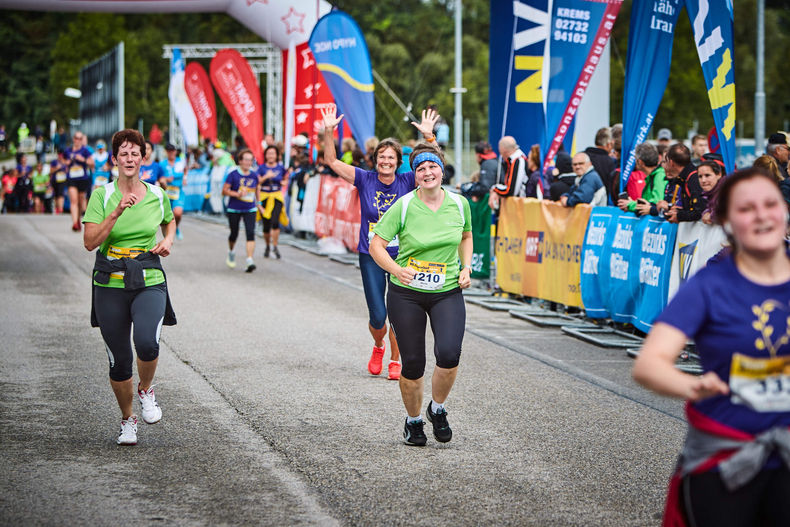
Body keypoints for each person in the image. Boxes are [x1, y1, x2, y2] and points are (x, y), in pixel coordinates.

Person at [633, 167, 790, 527]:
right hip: (724, 456)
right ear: (726, 221)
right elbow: (650, 363)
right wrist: (693, 386)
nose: (762, 215)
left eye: (771, 203)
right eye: (746, 208)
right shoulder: (711, 284)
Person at [321, 103, 438, 381]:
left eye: (391, 158)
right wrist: (328, 132)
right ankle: (378, 345)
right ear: (375, 160)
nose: (386, 161)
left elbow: (434, 167)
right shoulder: (364, 178)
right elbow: (332, 162)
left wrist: (429, 138)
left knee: (397, 313)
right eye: (381, 157)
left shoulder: (409, 181)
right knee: (377, 315)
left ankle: (395, 359)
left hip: (402, 255)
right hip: (371, 254)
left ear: (399, 162)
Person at [369, 143, 473, 446]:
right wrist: (395, 270)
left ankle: (437, 409)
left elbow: (466, 236)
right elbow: (377, 245)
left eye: (432, 167)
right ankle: (413, 422)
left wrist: (466, 267)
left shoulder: (459, 203)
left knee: (450, 353)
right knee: (413, 364)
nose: (427, 172)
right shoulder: (403, 206)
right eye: (421, 169)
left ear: (441, 170)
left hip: (447, 290)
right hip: (406, 294)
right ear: (414, 176)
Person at [82, 128, 176, 446]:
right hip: (110, 280)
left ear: (143, 158)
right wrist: (118, 210)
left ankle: (146, 390)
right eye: (124, 153)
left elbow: (170, 218)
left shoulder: (157, 194)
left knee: (148, 343)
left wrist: (168, 240)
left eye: (135, 152)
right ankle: (128, 419)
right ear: (115, 159)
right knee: (120, 360)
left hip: (149, 276)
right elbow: (90, 242)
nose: (130, 158)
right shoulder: (102, 195)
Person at [222, 148, 262, 273]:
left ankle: (249, 260)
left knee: (251, 232)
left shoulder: (254, 175)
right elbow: (224, 191)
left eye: (250, 160)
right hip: (234, 208)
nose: (248, 163)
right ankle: (231, 252)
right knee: (234, 233)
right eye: (246, 160)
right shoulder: (233, 175)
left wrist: (259, 203)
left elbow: (257, 188)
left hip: (250, 208)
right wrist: (237, 194)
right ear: (240, 161)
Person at [617, 143, 667, 217]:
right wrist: (632, 203)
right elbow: (647, 204)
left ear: (640, 162)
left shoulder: (659, 176)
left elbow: (655, 204)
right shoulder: (653, 176)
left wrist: (630, 204)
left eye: (635, 158)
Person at [660, 143, 705, 223]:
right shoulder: (684, 178)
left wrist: (679, 216)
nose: (663, 166)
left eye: (664, 162)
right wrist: (678, 211)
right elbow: (691, 209)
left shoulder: (693, 179)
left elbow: (699, 212)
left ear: (671, 162)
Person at [258, 145, 287, 258]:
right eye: (268, 153)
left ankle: (275, 245)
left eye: (273, 154)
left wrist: (284, 182)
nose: (271, 156)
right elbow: (257, 181)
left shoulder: (280, 168)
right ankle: (267, 245)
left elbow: (285, 177)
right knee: (266, 224)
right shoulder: (261, 168)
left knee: (275, 221)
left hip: (276, 196)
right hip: (264, 196)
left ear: (276, 156)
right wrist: (266, 176)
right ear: (265, 155)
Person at [65, 131, 95, 231]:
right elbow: (63, 162)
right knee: (73, 201)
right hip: (71, 178)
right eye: (76, 138)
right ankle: (74, 223)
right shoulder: (68, 150)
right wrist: (68, 162)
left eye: (80, 138)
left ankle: (77, 219)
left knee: (80, 201)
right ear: (73, 139)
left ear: (82, 140)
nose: (77, 140)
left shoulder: (85, 150)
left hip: (82, 179)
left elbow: (92, 163)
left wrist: (83, 160)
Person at [489, 136, 528, 211]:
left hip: (520, 209)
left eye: (501, 153)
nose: (501, 156)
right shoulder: (513, 161)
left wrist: (495, 189)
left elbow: (511, 191)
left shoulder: (518, 161)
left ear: (504, 151)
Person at [159, 144, 187, 240]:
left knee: (178, 213)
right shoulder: (162, 164)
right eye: (169, 151)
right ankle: (170, 232)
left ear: (175, 151)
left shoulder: (180, 162)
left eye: (173, 150)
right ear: (166, 152)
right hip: (167, 191)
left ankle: (176, 227)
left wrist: (185, 178)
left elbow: (185, 170)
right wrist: (165, 179)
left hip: (178, 191)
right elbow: (160, 177)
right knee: (168, 215)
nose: (171, 152)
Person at [584, 127, 616, 201]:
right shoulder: (609, 162)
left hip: (580, 202)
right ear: (609, 144)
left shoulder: (582, 156)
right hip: (601, 203)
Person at [697, 161, 725, 225]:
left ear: (719, 175)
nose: (703, 180)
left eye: (707, 175)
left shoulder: (727, 190)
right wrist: (706, 213)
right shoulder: (709, 193)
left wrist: (711, 216)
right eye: (700, 176)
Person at [50, 150, 69, 214]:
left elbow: (68, 171)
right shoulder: (54, 162)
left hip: (62, 181)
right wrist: (57, 168)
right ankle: (56, 208)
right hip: (55, 180)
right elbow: (51, 171)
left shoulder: (65, 162)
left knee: (61, 195)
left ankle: (61, 209)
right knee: (56, 195)